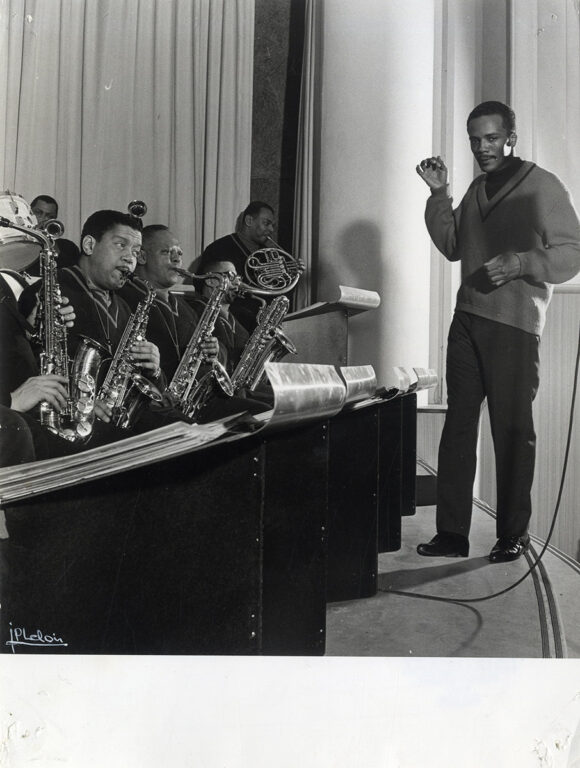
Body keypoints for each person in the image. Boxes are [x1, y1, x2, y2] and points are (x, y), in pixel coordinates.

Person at [415, 100, 580, 563]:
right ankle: (451, 534)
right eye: (475, 140)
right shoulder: (476, 188)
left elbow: (573, 251)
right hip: (467, 319)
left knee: (511, 432)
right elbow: (452, 246)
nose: (482, 148)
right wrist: (438, 193)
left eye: (491, 138)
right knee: (458, 430)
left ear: (511, 137)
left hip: (514, 327)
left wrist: (524, 262)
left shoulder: (542, 186)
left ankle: (513, 534)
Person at [118, 224, 219, 380]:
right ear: (142, 257)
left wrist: (213, 352)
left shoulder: (186, 307)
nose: (177, 259)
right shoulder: (125, 298)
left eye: (179, 253)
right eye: (166, 252)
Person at [196, 202, 280, 331]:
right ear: (249, 220)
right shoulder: (219, 247)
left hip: (261, 325)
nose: (271, 230)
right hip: (229, 323)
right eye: (266, 223)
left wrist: (286, 275)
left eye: (272, 225)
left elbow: (276, 294)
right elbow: (201, 286)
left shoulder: (267, 254)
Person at [29, 194, 80, 272]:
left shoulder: (69, 247)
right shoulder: (18, 244)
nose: (43, 219)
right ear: (29, 212)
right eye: (38, 212)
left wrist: (52, 244)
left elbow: (71, 274)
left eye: (50, 216)